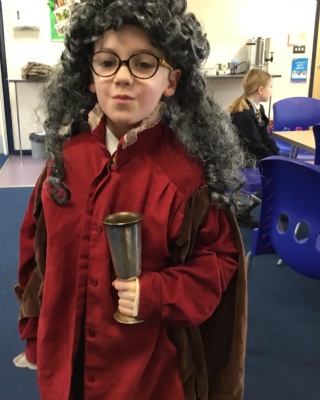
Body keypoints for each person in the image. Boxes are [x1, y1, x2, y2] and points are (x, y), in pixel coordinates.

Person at [14, 1, 248, 399]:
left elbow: (218, 263)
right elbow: (37, 256)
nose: (122, 77)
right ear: (90, 76)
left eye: (143, 64)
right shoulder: (64, 163)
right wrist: (36, 333)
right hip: (66, 363)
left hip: (146, 375)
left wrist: (158, 292)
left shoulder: (185, 179)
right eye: (107, 62)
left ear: (171, 81)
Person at [228, 69, 280, 228]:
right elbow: (254, 144)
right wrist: (272, 160)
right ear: (261, 89)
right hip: (245, 160)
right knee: (277, 175)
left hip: (254, 155)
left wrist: (276, 154)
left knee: (282, 167)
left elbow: (265, 135)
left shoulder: (258, 109)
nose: (272, 90)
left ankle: (278, 207)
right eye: (271, 86)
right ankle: (242, 210)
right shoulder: (243, 113)